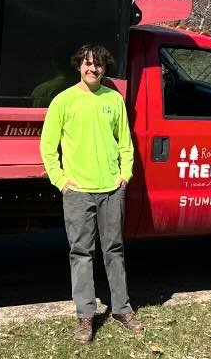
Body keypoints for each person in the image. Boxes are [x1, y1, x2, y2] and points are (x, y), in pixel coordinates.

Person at [40, 43, 142, 343]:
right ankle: (85, 316)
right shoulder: (63, 101)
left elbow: (125, 142)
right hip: (78, 192)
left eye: (97, 64)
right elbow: (48, 147)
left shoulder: (114, 100)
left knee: (114, 250)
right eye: (86, 63)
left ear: (105, 68)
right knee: (81, 253)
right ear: (78, 66)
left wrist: (125, 176)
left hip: (111, 189)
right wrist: (61, 181)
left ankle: (122, 308)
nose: (92, 68)